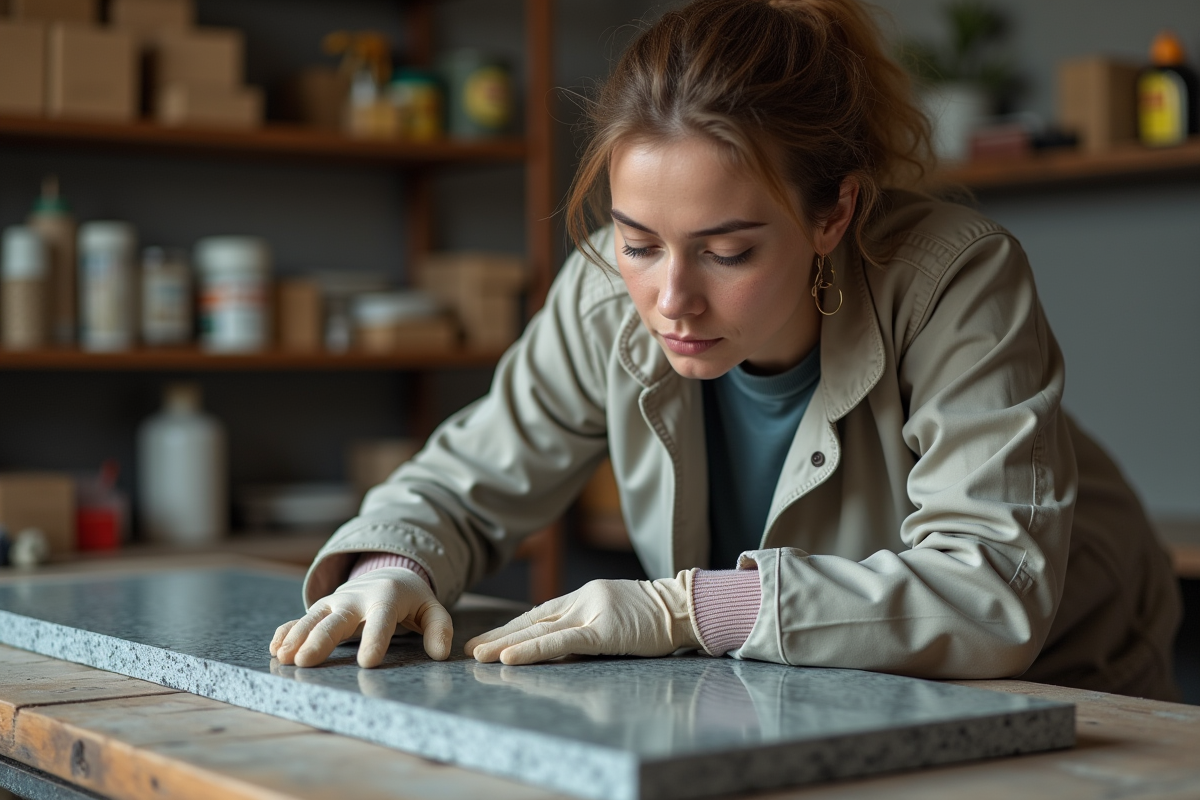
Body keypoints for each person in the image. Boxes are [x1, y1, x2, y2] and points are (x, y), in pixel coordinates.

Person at [270, 0, 1181, 699]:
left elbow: (992, 589)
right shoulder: (602, 292)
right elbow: (463, 481)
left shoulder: (955, 277)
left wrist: (689, 607)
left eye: (728, 251)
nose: (671, 298)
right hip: (827, 681)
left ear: (834, 214)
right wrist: (390, 569)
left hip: (1068, 664)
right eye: (639, 242)